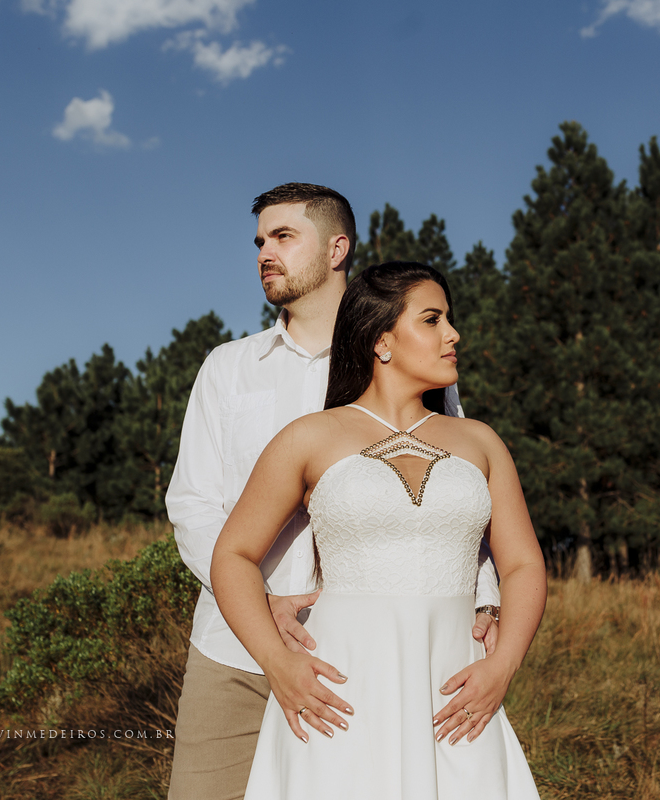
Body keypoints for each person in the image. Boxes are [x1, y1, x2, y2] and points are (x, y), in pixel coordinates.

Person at [165, 185, 500, 800]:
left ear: (337, 247)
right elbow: (191, 504)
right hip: (233, 647)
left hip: (370, 660)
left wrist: (485, 595)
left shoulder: (407, 358)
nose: (265, 253)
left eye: (283, 237)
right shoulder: (228, 368)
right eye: (260, 241)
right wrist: (260, 607)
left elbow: (455, 490)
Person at [212, 262, 546, 799]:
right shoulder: (308, 438)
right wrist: (277, 664)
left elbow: (524, 564)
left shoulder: (481, 442)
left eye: (449, 320)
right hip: (337, 695)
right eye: (433, 319)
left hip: (457, 697)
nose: (453, 334)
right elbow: (232, 555)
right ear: (382, 341)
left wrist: (502, 668)